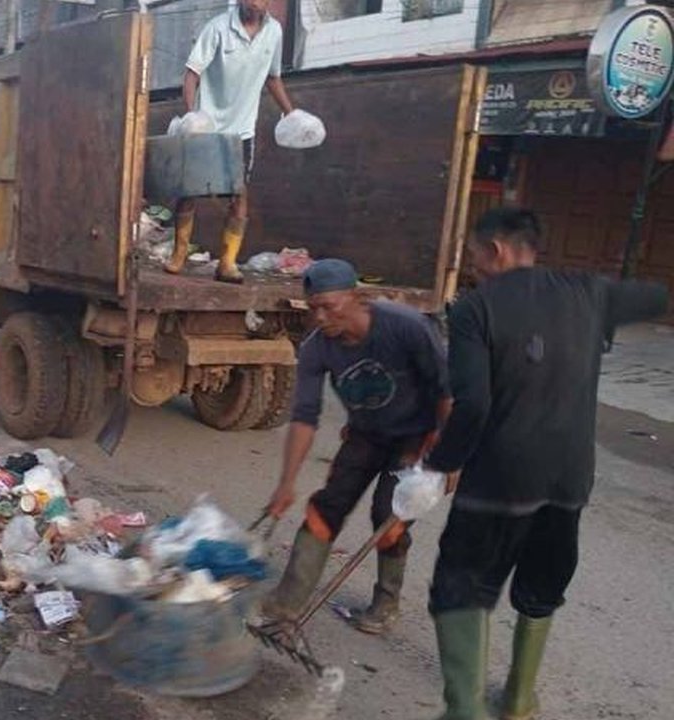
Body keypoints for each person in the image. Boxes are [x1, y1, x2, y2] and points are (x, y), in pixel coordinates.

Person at [424, 209, 669, 720]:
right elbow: (655, 297)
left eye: (473, 257)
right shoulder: (588, 291)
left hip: (500, 480)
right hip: (569, 479)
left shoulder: (475, 310)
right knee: (541, 584)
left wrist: (438, 465)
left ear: (496, 251)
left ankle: (465, 712)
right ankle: (518, 700)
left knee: (462, 583)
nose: (472, 268)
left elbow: (473, 404)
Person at [263, 258, 451, 634]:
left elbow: (446, 392)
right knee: (326, 506)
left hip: (417, 436)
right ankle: (286, 607)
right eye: (312, 308)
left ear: (357, 298)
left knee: (389, 514)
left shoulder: (406, 326)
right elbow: (304, 417)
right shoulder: (318, 348)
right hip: (366, 434)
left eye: (327, 306)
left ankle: (386, 602)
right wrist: (286, 483)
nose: (319, 317)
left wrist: (448, 454)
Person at [167, 0, 295, 284]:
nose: (253, 3)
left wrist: (291, 112)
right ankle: (178, 254)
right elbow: (192, 75)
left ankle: (227, 263)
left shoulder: (274, 32)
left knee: (239, 195)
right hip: (207, 124)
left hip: (242, 130)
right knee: (190, 190)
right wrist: (192, 116)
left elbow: (273, 77)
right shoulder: (218, 28)